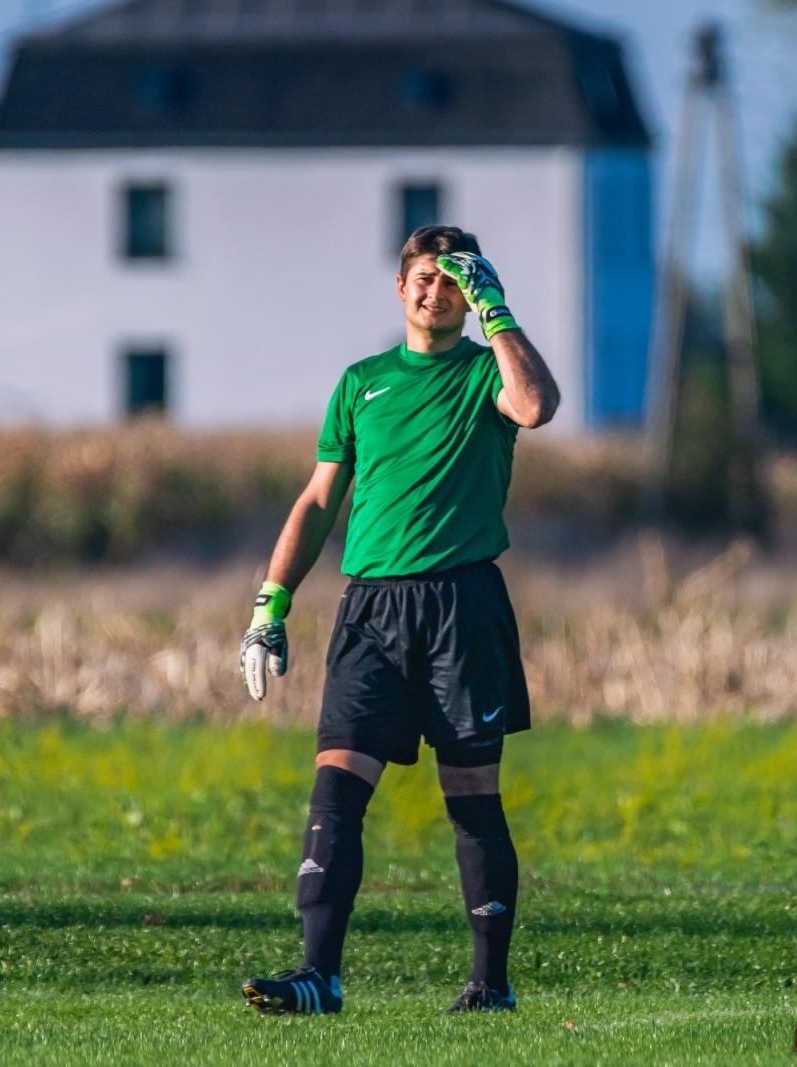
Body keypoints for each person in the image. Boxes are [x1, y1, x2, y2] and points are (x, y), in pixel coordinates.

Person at [237, 225, 560, 1016]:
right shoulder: (362, 382)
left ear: (467, 292)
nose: (434, 291)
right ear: (400, 286)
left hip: (462, 606)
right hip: (371, 611)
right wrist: (269, 605)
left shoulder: (487, 373)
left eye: (451, 280)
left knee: (472, 796)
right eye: (424, 277)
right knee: (336, 789)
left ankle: (491, 984)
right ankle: (319, 975)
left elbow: (538, 405)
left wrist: (497, 306)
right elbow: (318, 501)